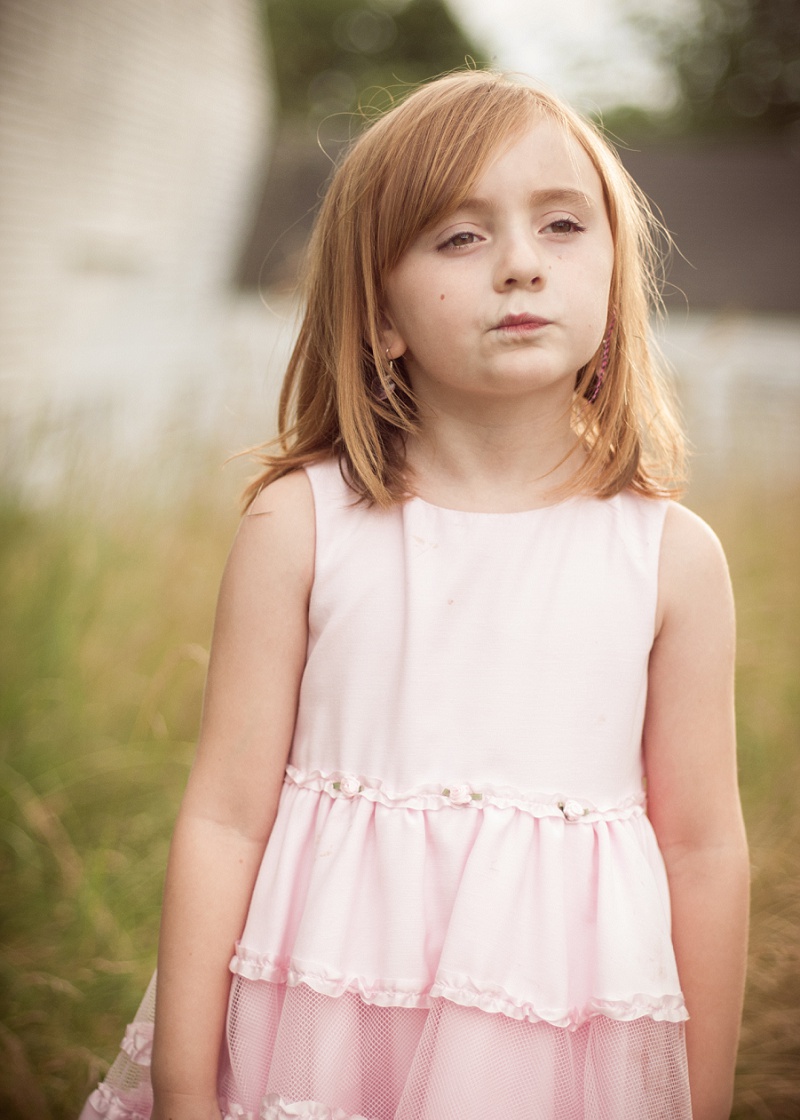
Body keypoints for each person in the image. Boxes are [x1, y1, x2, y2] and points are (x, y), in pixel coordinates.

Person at [80, 70, 749, 1120]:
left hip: (550, 1038)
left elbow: (701, 848)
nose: (521, 264)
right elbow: (224, 816)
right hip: (317, 1020)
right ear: (380, 316)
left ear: (615, 278)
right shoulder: (302, 526)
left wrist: (700, 1097)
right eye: (458, 238)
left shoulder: (668, 557)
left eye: (561, 224)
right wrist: (183, 1085)